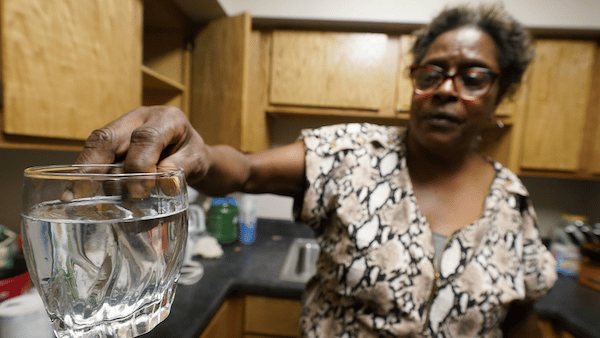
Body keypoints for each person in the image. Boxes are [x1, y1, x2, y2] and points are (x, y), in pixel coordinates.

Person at [76, 4, 556, 337]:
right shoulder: (351, 153)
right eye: (431, 74)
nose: (447, 89)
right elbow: (242, 171)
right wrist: (196, 151)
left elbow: (518, 318)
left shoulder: (511, 199)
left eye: (473, 78)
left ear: (501, 92)